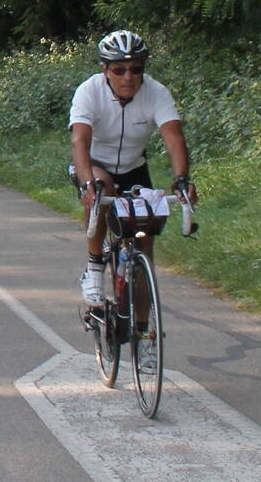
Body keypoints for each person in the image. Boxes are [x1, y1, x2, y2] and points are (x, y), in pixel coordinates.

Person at [69, 30, 198, 313]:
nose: (128, 77)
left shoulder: (156, 92)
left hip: (134, 169)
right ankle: (93, 267)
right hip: (94, 166)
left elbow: (173, 136)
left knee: (143, 255)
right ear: (105, 69)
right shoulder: (89, 91)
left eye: (136, 69)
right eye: (119, 69)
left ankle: (145, 338)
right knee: (103, 186)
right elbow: (79, 140)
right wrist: (86, 183)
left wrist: (181, 179)